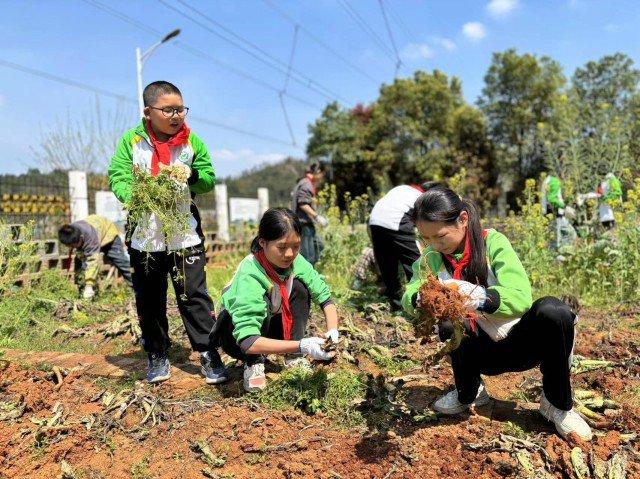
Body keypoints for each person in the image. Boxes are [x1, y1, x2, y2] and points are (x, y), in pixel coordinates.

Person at [401, 187, 592, 441]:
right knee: (448, 321)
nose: (434, 245)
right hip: (481, 351)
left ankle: (556, 405)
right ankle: (469, 391)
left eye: (440, 236)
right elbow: (410, 292)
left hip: (519, 342)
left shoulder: (493, 243)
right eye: (426, 239)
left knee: (554, 312)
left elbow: (521, 296)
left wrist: (480, 297)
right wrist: (421, 297)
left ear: (463, 220)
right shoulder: (432, 257)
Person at [108, 80, 225, 385]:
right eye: (169, 110)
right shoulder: (131, 142)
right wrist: (135, 195)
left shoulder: (191, 142)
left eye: (180, 109)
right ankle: (157, 353)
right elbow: (118, 176)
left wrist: (194, 175)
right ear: (148, 112)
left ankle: (208, 352)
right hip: (145, 236)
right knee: (149, 298)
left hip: (184, 234)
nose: (177, 116)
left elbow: (209, 179)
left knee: (194, 295)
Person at [210, 207, 338, 392]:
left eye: (296, 246)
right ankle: (253, 362)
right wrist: (304, 346)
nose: (289, 254)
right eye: (282, 247)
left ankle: (292, 355)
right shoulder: (250, 273)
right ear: (263, 242)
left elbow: (325, 300)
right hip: (238, 338)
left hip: (269, 330)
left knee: (301, 289)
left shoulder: (296, 261)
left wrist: (332, 332)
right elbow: (248, 340)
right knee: (263, 298)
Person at [369, 181, 441, 311]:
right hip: (396, 220)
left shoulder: (403, 188)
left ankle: (396, 306)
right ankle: (422, 305)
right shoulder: (422, 198)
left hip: (375, 220)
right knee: (416, 264)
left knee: (387, 266)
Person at [58, 215, 133, 299]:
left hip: (108, 235)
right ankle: (84, 294)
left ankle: (137, 289)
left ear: (81, 238)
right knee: (80, 266)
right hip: (92, 234)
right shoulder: (70, 231)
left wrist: (89, 285)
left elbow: (93, 261)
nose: (73, 248)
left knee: (122, 263)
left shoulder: (90, 237)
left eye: (74, 246)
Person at [291, 162, 328, 265]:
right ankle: (305, 279)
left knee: (319, 246)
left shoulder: (305, 182)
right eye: (322, 175)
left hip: (306, 224)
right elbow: (303, 203)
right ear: (318, 172)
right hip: (304, 224)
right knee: (308, 257)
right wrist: (317, 217)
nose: (321, 178)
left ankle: (312, 273)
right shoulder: (307, 184)